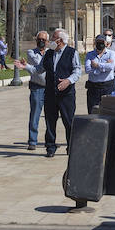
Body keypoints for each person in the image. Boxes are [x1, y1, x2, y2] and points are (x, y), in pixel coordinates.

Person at [41, 28, 79, 157]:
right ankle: (50, 147)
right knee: (50, 121)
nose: (50, 40)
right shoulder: (49, 53)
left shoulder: (72, 52)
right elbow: (40, 68)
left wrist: (68, 81)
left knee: (69, 122)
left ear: (60, 40)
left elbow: (77, 71)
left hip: (66, 95)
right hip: (50, 93)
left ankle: (71, 146)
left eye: (53, 37)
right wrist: (26, 67)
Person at [21, 31, 48, 151]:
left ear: (47, 42)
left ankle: (50, 140)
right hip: (37, 87)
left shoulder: (50, 53)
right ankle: (32, 140)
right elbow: (39, 66)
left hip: (50, 88)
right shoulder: (31, 52)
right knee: (35, 115)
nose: (41, 41)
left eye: (43, 40)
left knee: (50, 116)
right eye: (39, 39)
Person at [84, 35, 115, 114]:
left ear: (106, 43)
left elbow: (111, 67)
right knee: (92, 111)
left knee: (108, 111)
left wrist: (97, 65)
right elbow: (87, 69)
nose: (100, 44)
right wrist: (104, 65)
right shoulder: (90, 54)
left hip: (107, 86)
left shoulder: (111, 53)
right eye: (98, 42)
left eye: (102, 42)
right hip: (93, 87)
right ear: (95, 43)